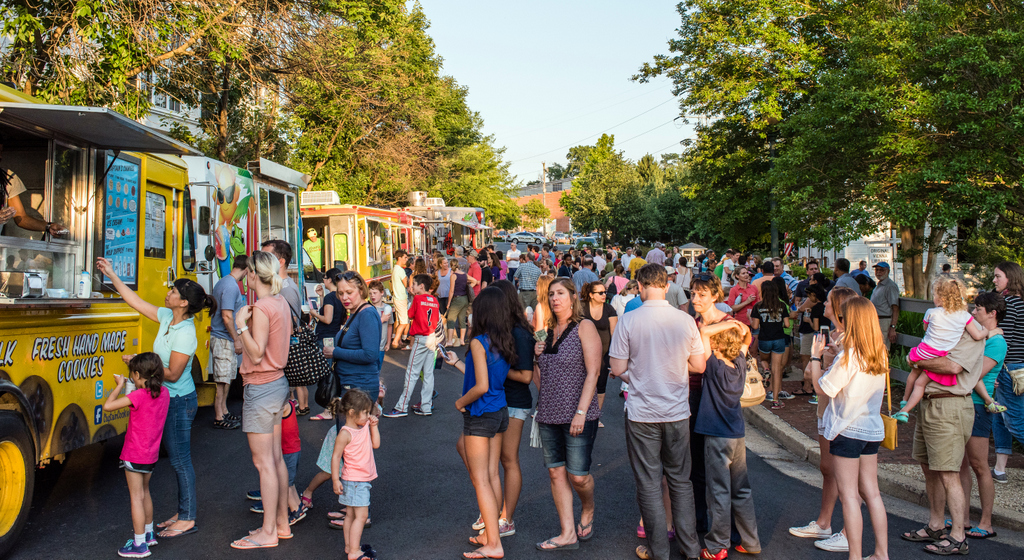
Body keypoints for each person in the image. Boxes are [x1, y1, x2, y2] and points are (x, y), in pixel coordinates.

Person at [96, 257, 213, 540]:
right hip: (165, 400)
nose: (169, 292)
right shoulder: (165, 317)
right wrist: (112, 273)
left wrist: (141, 362)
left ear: (184, 303)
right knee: (175, 458)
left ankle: (187, 517)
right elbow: (135, 301)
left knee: (180, 460)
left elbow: (172, 373)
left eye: (175, 291)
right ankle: (182, 511)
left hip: (179, 402)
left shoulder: (185, 333)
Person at [610, 264, 705, 560]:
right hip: (677, 410)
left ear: (639, 286)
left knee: (649, 483)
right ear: (666, 286)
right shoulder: (685, 320)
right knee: (680, 480)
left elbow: (617, 368)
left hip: (642, 412)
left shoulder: (629, 319)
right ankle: (690, 547)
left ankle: (658, 550)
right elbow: (699, 366)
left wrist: (638, 375)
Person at [445, 288, 526, 560]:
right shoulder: (502, 341)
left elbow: (480, 386)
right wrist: (458, 364)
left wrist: (460, 402)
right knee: (491, 477)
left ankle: (494, 544)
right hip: (500, 410)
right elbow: (492, 379)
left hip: (480, 414)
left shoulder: (479, 342)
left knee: (481, 480)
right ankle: (491, 536)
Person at [898, 314, 987, 554]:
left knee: (949, 471)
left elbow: (952, 366)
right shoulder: (945, 326)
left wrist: (918, 361)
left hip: (950, 405)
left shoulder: (971, 334)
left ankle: (958, 536)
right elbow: (934, 358)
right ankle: (936, 525)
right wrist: (922, 359)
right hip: (928, 403)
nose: (976, 310)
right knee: (929, 467)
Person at [810, 297, 890, 560]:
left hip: (847, 429)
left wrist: (815, 358)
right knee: (873, 493)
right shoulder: (878, 352)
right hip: (871, 428)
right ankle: (881, 553)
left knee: (849, 496)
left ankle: (855, 555)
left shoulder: (849, 357)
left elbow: (822, 388)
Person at [305, 272, 382, 527]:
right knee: (351, 451)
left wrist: (335, 351)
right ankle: (353, 508)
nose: (344, 297)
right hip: (352, 389)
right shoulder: (358, 314)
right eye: (340, 293)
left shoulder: (367, 314)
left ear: (361, 288)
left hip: (358, 391)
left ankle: (361, 513)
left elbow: (371, 354)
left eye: (349, 292)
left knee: (354, 453)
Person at [533, 278, 603, 551]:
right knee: (555, 473)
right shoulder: (546, 331)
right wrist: (537, 356)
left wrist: (581, 412)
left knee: (578, 475)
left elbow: (594, 372)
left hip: (578, 413)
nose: (555, 299)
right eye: (551, 294)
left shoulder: (584, 327)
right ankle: (567, 532)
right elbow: (540, 378)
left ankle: (588, 508)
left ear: (573, 297)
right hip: (549, 412)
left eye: (560, 293)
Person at [229, 250, 292, 549]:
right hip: (277, 383)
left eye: (247, 272)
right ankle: (281, 524)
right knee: (275, 459)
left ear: (254, 275)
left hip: (262, 386)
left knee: (264, 462)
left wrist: (241, 324)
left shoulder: (262, 307)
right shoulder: (279, 302)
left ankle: (268, 532)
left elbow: (255, 352)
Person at [789, 286, 858, 553]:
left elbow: (817, 377)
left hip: (843, 413)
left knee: (847, 475)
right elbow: (810, 373)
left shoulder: (850, 341)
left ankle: (847, 531)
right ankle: (824, 522)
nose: (824, 305)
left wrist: (821, 363)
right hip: (825, 409)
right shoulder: (829, 335)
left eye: (828, 302)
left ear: (839, 308)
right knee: (827, 468)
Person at [694, 322, 760, 560]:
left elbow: (703, 332)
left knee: (719, 491)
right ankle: (751, 541)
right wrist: (740, 329)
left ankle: (718, 545)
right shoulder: (740, 365)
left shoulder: (714, 366)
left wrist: (728, 324)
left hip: (716, 436)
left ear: (717, 346)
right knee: (741, 489)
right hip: (737, 436)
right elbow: (747, 340)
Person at [894, 277, 989, 423]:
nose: (933, 298)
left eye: (934, 295)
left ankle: (904, 401)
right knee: (921, 383)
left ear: (942, 297)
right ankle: (905, 411)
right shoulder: (965, 316)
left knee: (913, 375)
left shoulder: (932, 312)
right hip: (940, 356)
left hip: (923, 351)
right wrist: (985, 332)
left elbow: (925, 329)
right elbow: (976, 335)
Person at [103, 353, 168, 558]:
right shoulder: (164, 393)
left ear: (138, 375)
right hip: (151, 454)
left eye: (132, 376)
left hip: (133, 453)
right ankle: (149, 534)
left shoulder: (138, 396)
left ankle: (139, 544)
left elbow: (108, 406)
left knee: (136, 497)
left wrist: (119, 386)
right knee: (145, 492)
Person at [956, 292, 1007, 540]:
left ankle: (986, 522)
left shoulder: (997, 343)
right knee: (963, 463)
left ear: (992, 313)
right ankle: (963, 518)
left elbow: (975, 373)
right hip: (967, 400)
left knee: (979, 465)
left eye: (977, 309)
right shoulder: (983, 336)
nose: (973, 312)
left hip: (978, 404)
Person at [329, 389, 381, 560]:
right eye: (365, 412)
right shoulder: (345, 434)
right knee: (362, 516)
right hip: (355, 480)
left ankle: (349, 546)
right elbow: (336, 456)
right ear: (352, 413)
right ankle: (354, 551)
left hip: (358, 480)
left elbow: (376, 444)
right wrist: (335, 479)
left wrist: (374, 426)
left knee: (351, 515)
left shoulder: (364, 425)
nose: (368, 415)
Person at [261, 239, 309, 416]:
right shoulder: (281, 285)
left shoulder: (285, 288)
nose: (262, 261)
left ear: (280, 262)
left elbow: (288, 324)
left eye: (267, 256)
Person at [384, 274, 441, 418]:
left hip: (421, 338)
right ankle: (426, 406)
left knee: (412, 373)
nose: (412, 287)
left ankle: (402, 406)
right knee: (428, 374)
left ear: (421, 286)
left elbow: (410, 315)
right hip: (432, 337)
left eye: (414, 284)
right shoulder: (434, 300)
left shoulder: (417, 299)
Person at [992, 261, 1024, 483]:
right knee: (1000, 416)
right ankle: (999, 468)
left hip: (1008, 367)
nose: (994, 280)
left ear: (1010, 279)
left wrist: (992, 369)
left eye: (997, 276)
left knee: (1015, 421)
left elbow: (1006, 341)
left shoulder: (1010, 303)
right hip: (1017, 366)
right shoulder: (1020, 302)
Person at [209, 255, 247, 429]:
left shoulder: (223, 282)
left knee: (226, 378)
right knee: (222, 380)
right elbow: (227, 316)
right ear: (246, 269)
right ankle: (219, 416)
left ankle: (223, 411)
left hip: (222, 337)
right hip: (223, 338)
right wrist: (236, 339)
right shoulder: (231, 286)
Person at [581, 281, 618, 426]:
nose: (604, 295)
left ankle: (595, 416)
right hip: (582, 353)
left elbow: (614, 333)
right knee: (582, 382)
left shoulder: (609, 309)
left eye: (605, 292)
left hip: (603, 355)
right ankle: (581, 412)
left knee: (601, 385)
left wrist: (614, 358)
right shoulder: (582, 308)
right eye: (600, 293)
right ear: (591, 295)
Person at [751, 280, 792, 408]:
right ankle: (775, 400)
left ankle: (766, 369)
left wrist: (749, 318)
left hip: (764, 338)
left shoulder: (758, 306)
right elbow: (787, 324)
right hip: (779, 338)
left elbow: (756, 326)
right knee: (777, 369)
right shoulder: (781, 306)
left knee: (763, 360)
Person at [870, 262, 900, 350]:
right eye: (877, 270)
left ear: (888, 271)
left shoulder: (890, 286)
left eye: (882, 270)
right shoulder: (878, 286)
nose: (879, 272)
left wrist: (892, 327)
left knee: (882, 348)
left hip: (884, 321)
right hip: (875, 320)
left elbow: (895, 308)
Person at [447, 259, 471, 347]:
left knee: (451, 319)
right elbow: (473, 281)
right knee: (462, 319)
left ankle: (449, 340)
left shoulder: (453, 276)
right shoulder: (464, 275)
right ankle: (462, 340)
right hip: (465, 298)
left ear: (451, 266)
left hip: (457, 299)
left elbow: (452, 290)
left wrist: (449, 303)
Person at [390, 250, 411, 349]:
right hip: (402, 298)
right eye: (405, 257)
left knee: (398, 320)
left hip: (396, 297)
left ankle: (397, 340)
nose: (406, 260)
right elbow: (406, 284)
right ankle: (395, 341)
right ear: (399, 258)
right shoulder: (401, 270)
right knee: (404, 322)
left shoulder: (395, 269)